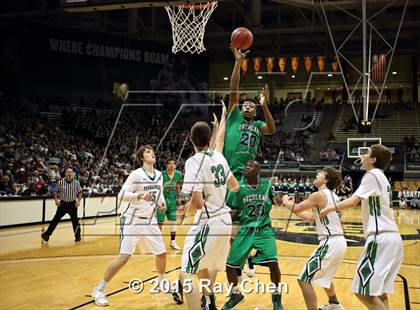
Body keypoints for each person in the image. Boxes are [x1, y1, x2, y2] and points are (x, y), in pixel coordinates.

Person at [321, 145, 403, 310]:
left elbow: (353, 201)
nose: (363, 156)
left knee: (362, 291)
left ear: (373, 160)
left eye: (367, 154)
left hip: (380, 238)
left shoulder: (371, 174)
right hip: (393, 239)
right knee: (378, 293)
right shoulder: (382, 177)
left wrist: (329, 208)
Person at [92, 145, 167, 307]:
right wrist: (139, 195)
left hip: (150, 219)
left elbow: (159, 194)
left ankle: (161, 282)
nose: (152, 153)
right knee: (124, 256)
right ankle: (99, 289)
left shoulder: (160, 175)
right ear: (141, 158)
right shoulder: (136, 174)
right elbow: (122, 195)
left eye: (152, 151)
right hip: (132, 219)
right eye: (148, 152)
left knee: (161, 253)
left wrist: (162, 204)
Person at [180, 121, 239, 310]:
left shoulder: (193, 162)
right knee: (202, 265)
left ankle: (204, 304)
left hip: (209, 222)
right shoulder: (220, 157)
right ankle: (210, 302)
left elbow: (197, 203)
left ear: (191, 139)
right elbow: (234, 186)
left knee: (187, 274)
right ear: (210, 139)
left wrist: (185, 209)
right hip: (224, 220)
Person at [281, 167, 346, 310]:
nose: (317, 174)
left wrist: (286, 201)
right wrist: (291, 207)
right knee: (326, 276)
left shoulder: (318, 195)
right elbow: (311, 218)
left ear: (326, 179)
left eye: (321, 173)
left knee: (303, 279)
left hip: (330, 242)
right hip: (338, 241)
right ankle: (334, 303)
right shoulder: (332, 195)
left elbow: (297, 208)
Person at [222, 160, 283, 310]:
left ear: (258, 170)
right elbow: (235, 211)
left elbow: (275, 199)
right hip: (245, 230)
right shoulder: (238, 188)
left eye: (251, 166)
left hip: (264, 230)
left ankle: (276, 297)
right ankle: (235, 294)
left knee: (273, 264)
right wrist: (221, 216)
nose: (247, 168)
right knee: (230, 266)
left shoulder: (267, 185)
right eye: (246, 166)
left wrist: (278, 200)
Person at [224, 45, 276, 180]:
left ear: (255, 112)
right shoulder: (234, 117)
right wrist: (238, 63)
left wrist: (264, 106)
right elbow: (233, 90)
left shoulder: (258, 125)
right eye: (245, 106)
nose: (247, 107)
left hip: (248, 172)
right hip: (228, 169)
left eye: (251, 107)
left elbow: (271, 130)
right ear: (240, 110)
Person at [41, 167, 82, 242]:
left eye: (71, 172)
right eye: (68, 172)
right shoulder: (60, 182)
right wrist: (56, 200)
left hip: (72, 204)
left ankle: (78, 236)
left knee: (75, 221)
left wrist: (78, 201)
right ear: (65, 174)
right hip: (63, 204)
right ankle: (47, 234)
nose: (70, 174)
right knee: (55, 220)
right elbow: (56, 191)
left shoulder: (76, 182)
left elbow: (80, 192)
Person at [157, 158, 183, 250]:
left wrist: (179, 198)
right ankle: (158, 243)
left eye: (173, 163)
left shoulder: (178, 175)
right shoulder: (161, 175)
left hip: (172, 201)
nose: (171, 165)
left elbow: (177, 186)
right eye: (169, 163)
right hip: (162, 201)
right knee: (160, 223)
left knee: (173, 222)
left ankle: (173, 241)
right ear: (166, 165)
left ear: (175, 165)